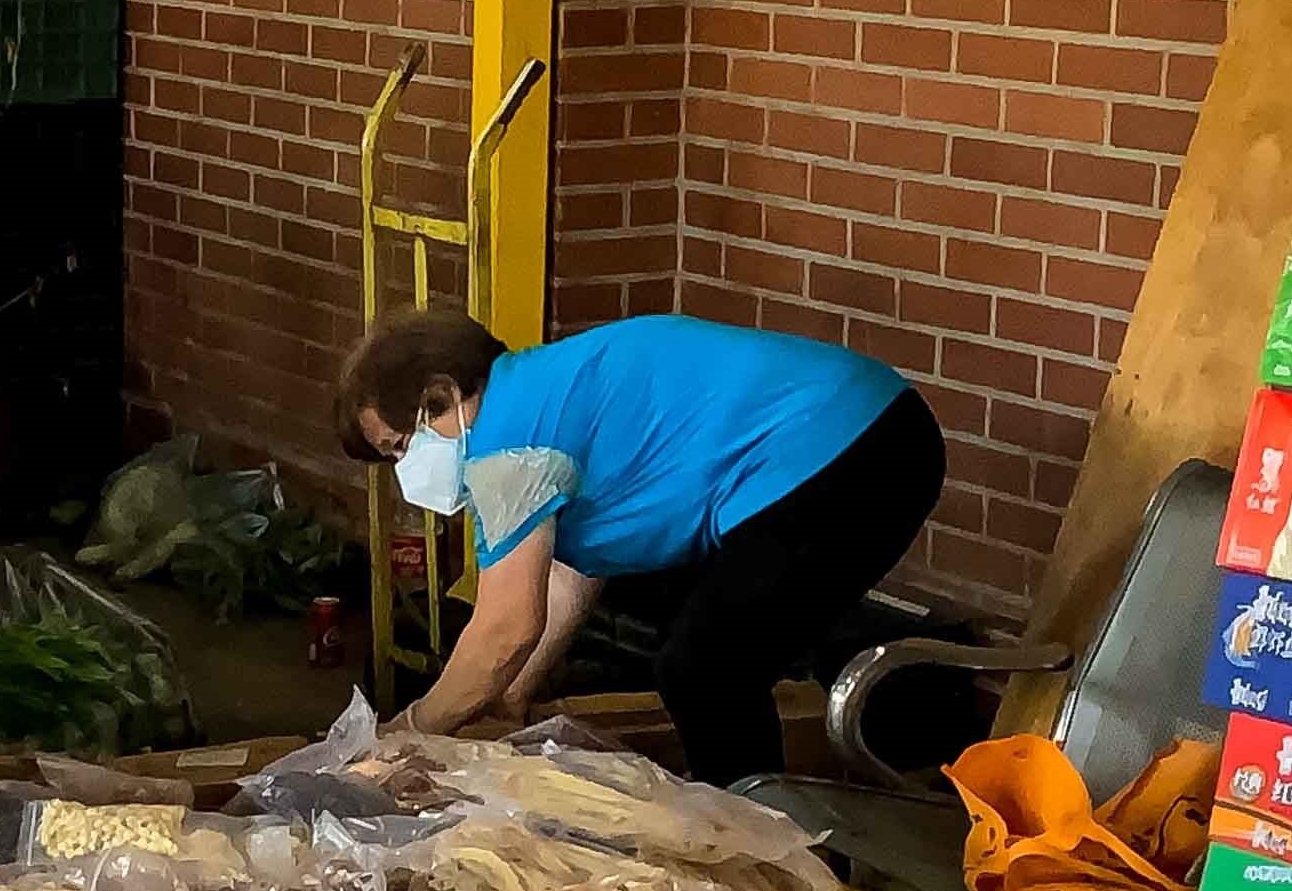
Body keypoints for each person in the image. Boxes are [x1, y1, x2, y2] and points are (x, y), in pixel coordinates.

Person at [333, 306, 947, 782]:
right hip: (869, 434)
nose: (405, 469)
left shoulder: (507, 447)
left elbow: (506, 627)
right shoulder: (535, 397)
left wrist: (410, 731)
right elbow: (567, 575)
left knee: (705, 666)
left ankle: (767, 861)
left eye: (399, 448)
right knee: (720, 651)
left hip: (845, 450)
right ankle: (767, 824)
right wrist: (512, 695)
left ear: (441, 397)